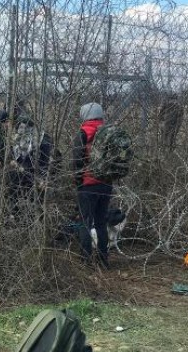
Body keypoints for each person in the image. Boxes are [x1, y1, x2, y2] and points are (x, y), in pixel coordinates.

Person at [72, 102, 112, 268]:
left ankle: (85, 260)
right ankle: (103, 260)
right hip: (106, 184)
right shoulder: (109, 131)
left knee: (85, 222)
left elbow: (77, 160)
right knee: (101, 223)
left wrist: (78, 182)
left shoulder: (83, 132)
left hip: (88, 185)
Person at [6, 116, 54, 214]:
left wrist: (43, 178)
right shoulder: (17, 140)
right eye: (19, 127)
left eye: (24, 128)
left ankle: (35, 217)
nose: (21, 130)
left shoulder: (42, 140)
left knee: (36, 200)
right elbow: (14, 156)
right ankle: (15, 213)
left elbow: (45, 161)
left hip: (35, 175)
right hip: (22, 174)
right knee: (14, 188)